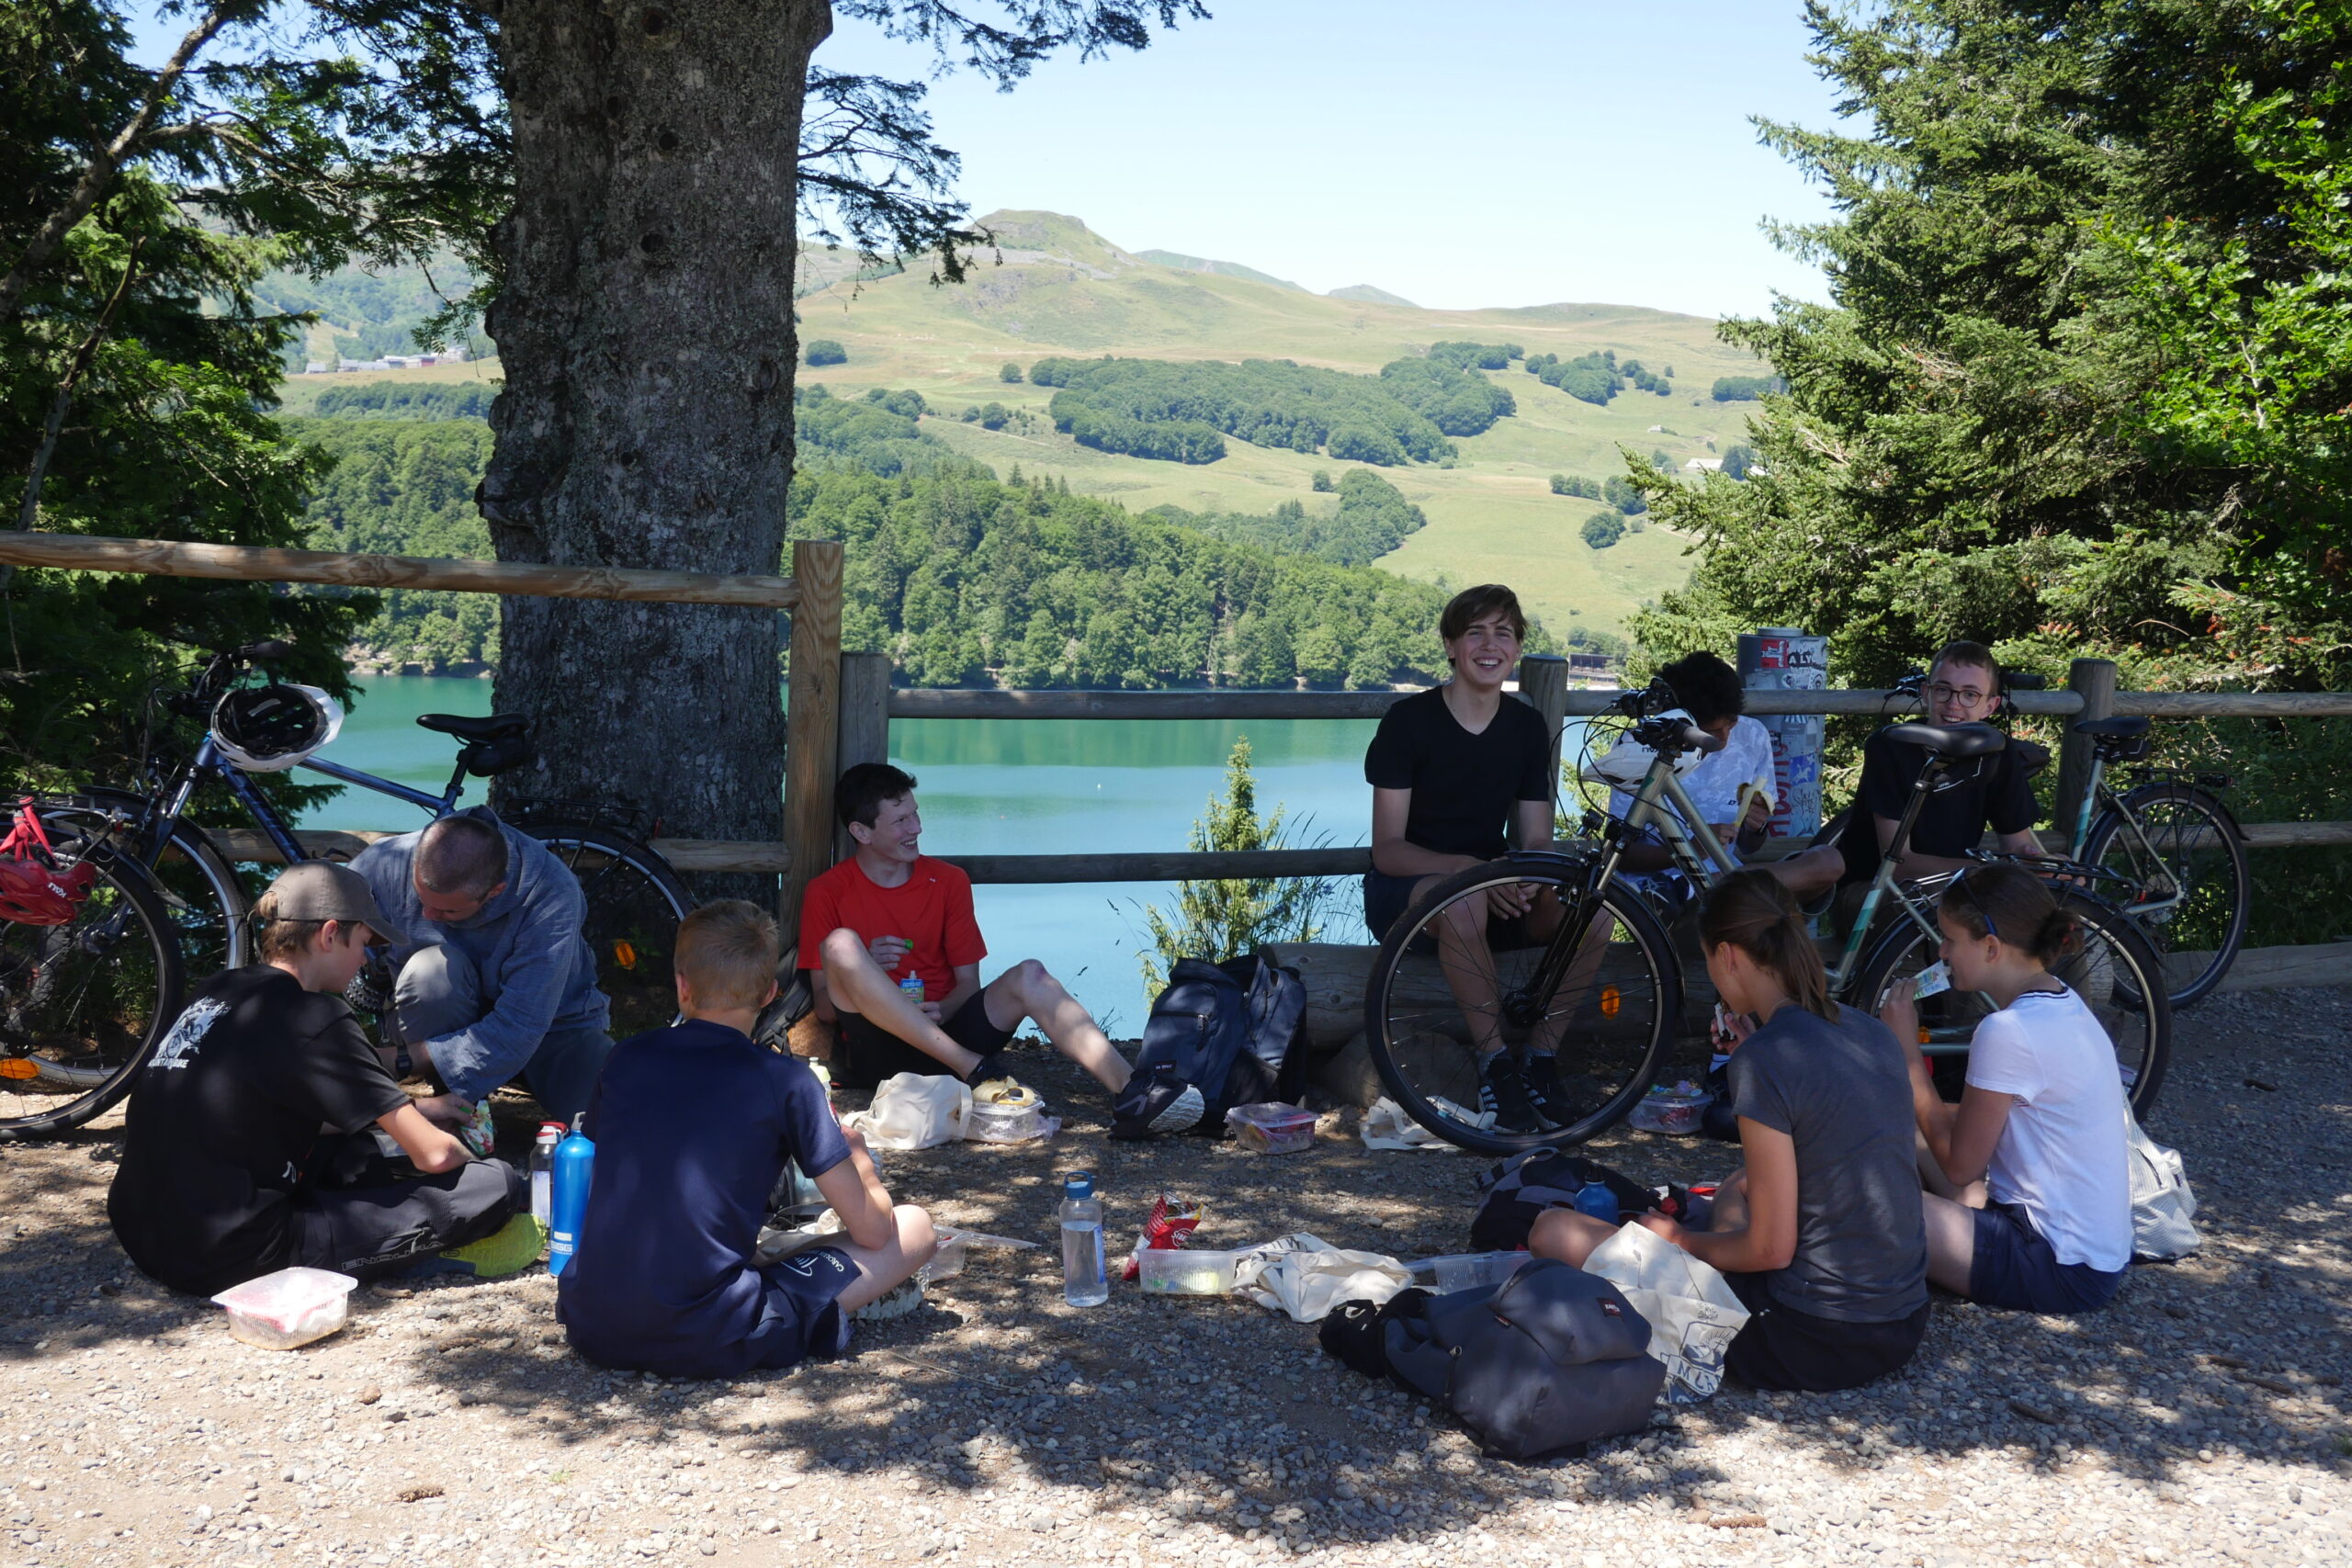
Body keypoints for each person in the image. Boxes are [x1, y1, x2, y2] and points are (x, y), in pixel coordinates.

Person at [1528, 870, 1929, 1392]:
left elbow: (1770, 1251)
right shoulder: (1869, 1031)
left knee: (1553, 1232)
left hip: (1810, 1337)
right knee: (1736, 1187)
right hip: (1901, 1324)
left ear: (1729, 956)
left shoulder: (1765, 1058)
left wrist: (1680, 1240)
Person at [107, 863, 529, 1295]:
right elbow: (436, 1157)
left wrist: (422, 1109)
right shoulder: (315, 1014)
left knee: (355, 1150)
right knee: (494, 1184)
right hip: (234, 1256)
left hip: (145, 1235)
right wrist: (471, 1161)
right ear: (330, 934)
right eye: (364, 942)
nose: (365, 959)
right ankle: (404, 1251)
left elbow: (262, 1112)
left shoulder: (218, 991)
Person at [559, 900, 937, 1377]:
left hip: (592, 1322)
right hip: (712, 1335)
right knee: (915, 1227)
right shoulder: (786, 1080)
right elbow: (874, 1233)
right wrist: (861, 1161)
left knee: (755, 1250)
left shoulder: (625, 1058)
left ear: (681, 986)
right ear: (769, 995)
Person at [1878, 864, 2131, 1314]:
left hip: (2055, 1265)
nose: (1942, 951)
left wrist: (1907, 1055)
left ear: (1991, 947)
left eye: (1951, 939)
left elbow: (1959, 1166)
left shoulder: (2007, 1030)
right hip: (2086, 1255)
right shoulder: (2063, 1003)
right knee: (1901, 1138)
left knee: (1856, 1192)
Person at [798, 763, 1133, 1100]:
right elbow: (826, 1010)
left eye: (915, 814)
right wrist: (863, 966)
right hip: (883, 1053)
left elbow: (968, 985)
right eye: (901, 821)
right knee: (841, 945)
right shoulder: (826, 891)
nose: (917, 827)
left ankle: (1135, 1089)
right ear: (862, 832)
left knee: (1031, 974)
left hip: (952, 1033)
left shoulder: (948, 880)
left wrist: (942, 1009)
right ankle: (971, 1066)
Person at [1363, 583, 1566, 1131]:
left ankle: (1541, 1063)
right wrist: (1467, 872)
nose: (1489, 644)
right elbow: (1388, 850)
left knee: (1589, 918)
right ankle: (1496, 1065)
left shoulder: (1526, 727)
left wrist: (1529, 877)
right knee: (1463, 905)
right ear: (1451, 645)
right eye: (1475, 631)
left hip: (1493, 888)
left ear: (1518, 648)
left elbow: (1536, 841)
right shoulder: (1408, 722)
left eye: (1503, 632)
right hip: (1410, 892)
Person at [349, 807, 612, 1124]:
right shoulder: (385, 863)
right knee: (432, 971)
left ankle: (459, 1099)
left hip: (553, 1029)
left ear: (494, 891)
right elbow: (316, 937)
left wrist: (399, 1060)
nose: (428, 915)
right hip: (437, 1016)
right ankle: (451, 1107)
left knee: (615, 1119)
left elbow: (521, 1025)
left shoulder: (552, 892)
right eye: (421, 900)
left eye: (447, 911)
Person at [1612, 650, 1842, 901]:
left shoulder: (1752, 735)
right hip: (1657, 884)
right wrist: (1691, 850)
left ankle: (1703, 893)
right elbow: (1623, 855)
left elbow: (1749, 846)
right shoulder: (1642, 745)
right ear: (1683, 721)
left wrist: (1756, 826)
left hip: (1725, 876)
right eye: (1711, 731)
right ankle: (1685, 892)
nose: (1724, 737)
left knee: (1829, 862)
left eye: (1731, 724)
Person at [1837, 640, 2042, 887]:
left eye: (1970, 694)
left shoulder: (1998, 748)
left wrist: (2043, 866)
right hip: (1874, 889)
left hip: (1959, 886)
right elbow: (1898, 864)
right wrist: (1993, 870)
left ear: (1990, 706)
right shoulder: (1891, 744)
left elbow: (2017, 844)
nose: (1954, 703)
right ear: (1926, 693)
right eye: (1943, 689)